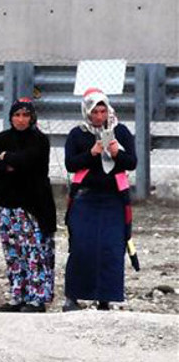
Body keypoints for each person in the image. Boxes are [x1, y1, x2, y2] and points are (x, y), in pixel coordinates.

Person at [63, 88, 137, 312]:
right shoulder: (78, 134)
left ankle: (105, 297)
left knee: (111, 247)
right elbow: (71, 164)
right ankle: (73, 296)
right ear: (87, 111)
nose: (99, 117)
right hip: (86, 198)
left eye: (103, 111)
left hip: (113, 199)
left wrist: (116, 154)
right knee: (81, 246)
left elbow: (131, 162)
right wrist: (92, 153)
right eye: (95, 111)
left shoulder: (120, 132)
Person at [0, 98, 56, 313]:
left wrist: (7, 158)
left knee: (35, 253)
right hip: (8, 207)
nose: (21, 119)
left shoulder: (40, 140)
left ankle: (37, 298)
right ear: (11, 117)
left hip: (32, 208)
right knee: (14, 253)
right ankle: (19, 295)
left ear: (32, 118)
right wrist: (8, 164)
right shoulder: (3, 138)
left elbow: (30, 160)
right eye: (17, 115)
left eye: (25, 115)